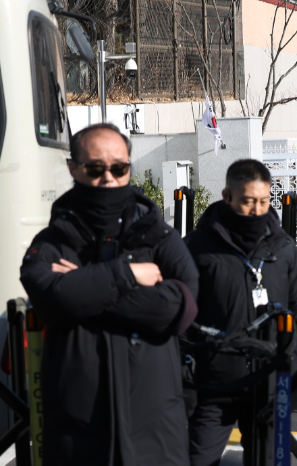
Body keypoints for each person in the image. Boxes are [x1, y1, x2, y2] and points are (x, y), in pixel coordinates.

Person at [20, 123, 199, 465]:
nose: (108, 178)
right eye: (95, 168)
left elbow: (179, 310)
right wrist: (127, 275)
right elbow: (53, 300)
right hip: (77, 440)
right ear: (73, 168)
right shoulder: (51, 242)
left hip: (156, 439)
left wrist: (87, 286)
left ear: (129, 168)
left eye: (118, 168)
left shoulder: (160, 238)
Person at [185, 159, 297, 466]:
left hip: (271, 385)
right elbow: (181, 317)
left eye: (263, 202)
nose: (256, 211)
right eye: (247, 202)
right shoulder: (197, 247)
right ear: (227, 196)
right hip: (213, 383)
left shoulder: (284, 247)